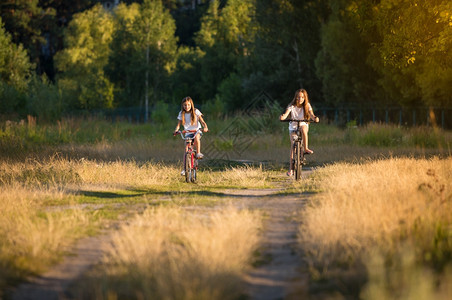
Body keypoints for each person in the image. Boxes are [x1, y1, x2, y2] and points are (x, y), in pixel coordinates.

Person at [279, 89, 319, 176]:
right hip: (293, 126)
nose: (300, 99)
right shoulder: (291, 106)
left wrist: (315, 118)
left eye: (302, 97)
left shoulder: (307, 105)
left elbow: (312, 115)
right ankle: (291, 169)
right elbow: (286, 114)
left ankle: (305, 148)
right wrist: (282, 117)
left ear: (305, 98)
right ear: (295, 98)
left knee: (303, 129)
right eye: (298, 97)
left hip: (303, 123)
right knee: (293, 144)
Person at [174, 96, 208, 175]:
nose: (187, 107)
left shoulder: (196, 111)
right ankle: (184, 169)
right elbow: (178, 125)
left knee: (197, 138)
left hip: (197, 130)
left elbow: (202, 122)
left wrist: (205, 127)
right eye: (185, 105)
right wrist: (176, 130)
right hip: (188, 132)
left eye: (188, 105)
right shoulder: (181, 113)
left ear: (191, 104)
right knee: (186, 148)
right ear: (182, 105)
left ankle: (198, 152)